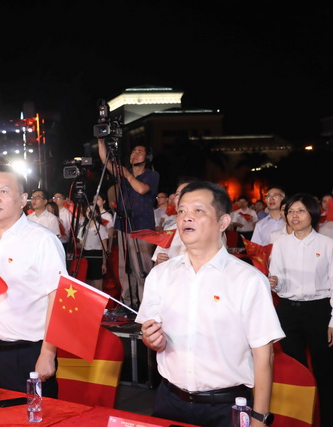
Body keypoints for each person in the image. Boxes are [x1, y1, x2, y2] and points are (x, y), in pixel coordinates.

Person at [137, 181, 284, 427]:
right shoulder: (160, 275)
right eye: (182, 211)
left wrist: (259, 418)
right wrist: (151, 340)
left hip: (226, 407)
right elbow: (150, 335)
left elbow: (264, 355)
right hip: (169, 400)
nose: (186, 217)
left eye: (198, 210)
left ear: (223, 222)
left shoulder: (248, 280)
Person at [0, 165, 66, 398]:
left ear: (22, 200)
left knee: (30, 416)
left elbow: (58, 298)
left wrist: (48, 354)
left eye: (3, 191)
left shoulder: (42, 240)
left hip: (27, 353)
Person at [268, 193, 333, 426]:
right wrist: (275, 281)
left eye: (300, 210)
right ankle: (298, 421)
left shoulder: (327, 244)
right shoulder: (280, 244)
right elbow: (278, 277)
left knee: (324, 369)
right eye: (291, 211)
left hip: (319, 311)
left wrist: (332, 321)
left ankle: (326, 419)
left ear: (313, 214)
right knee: (295, 369)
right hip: (288, 311)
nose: (294, 216)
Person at [98, 139, 159, 310]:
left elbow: (142, 189)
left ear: (147, 157)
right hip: (124, 224)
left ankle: (146, 306)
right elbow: (105, 161)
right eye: (133, 151)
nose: (135, 154)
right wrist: (101, 140)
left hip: (142, 227)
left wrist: (127, 175)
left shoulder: (152, 175)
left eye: (140, 151)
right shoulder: (124, 173)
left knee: (142, 268)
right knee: (125, 268)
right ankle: (127, 304)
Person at [77, 204, 108, 291]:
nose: (89, 213)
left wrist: (104, 263)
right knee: (87, 285)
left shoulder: (101, 228)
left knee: (97, 286)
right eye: (87, 210)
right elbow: (81, 245)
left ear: (97, 213)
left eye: (92, 210)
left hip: (97, 257)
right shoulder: (83, 228)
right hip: (86, 257)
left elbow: (104, 248)